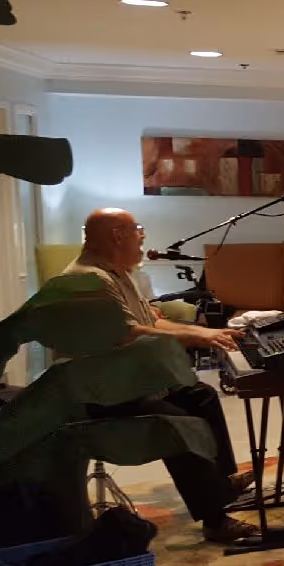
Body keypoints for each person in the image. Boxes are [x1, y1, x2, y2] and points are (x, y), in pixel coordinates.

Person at [61, 208, 257, 544]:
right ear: (116, 236)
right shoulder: (86, 281)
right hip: (103, 393)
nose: (143, 236)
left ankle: (220, 485)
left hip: (131, 381)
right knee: (178, 424)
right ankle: (215, 519)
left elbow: (150, 322)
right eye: (137, 229)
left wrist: (204, 332)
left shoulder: (118, 273)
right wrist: (196, 336)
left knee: (202, 397)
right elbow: (127, 333)